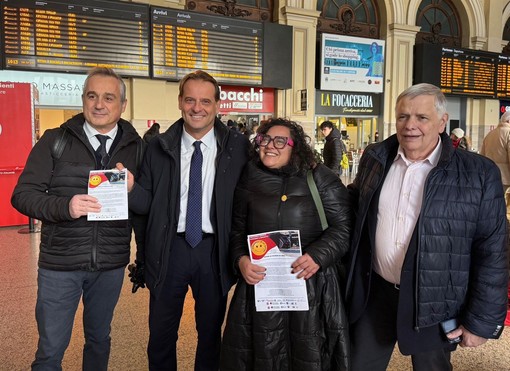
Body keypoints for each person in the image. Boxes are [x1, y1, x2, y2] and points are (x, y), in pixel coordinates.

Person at [345, 83, 508, 371]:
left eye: (422, 117)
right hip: (376, 293)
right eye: (403, 117)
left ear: (442, 122)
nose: (410, 126)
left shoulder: (479, 174)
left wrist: (482, 321)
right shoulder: (375, 158)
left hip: (436, 300)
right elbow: (353, 211)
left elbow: (492, 251)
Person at [11, 67, 144, 371]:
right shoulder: (54, 140)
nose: (99, 104)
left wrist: (133, 189)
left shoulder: (137, 147)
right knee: (50, 351)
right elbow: (23, 195)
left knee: (99, 340)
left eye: (109, 97)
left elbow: (148, 204)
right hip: (60, 265)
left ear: (122, 105)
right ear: (83, 99)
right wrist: (65, 206)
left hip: (109, 265)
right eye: (92, 96)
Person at [119, 70, 250, 370]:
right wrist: (130, 189)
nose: (197, 108)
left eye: (205, 101)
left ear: (218, 105)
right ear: (180, 101)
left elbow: (253, 196)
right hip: (170, 250)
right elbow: (146, 205)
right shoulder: (159, 146)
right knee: (161, 335)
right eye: (190, 99)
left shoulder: (237, 147)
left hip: (213, 252)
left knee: (210, 335)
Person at [220, 118, 352, 370]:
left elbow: (344, 228)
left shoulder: (319, 177)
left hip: (312, 288)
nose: (271, 145)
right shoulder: (249, 176)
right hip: (260, 288)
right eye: (265, 139)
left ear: (295, 147)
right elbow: (237, 230)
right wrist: (240, 261)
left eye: (281, 141)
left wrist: (317, 256)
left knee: (308, 354)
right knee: (262, 353)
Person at [480, 111, 510, 218]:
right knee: (504, 205)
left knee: (491, 202)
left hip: (489, 176)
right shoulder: (508, 133)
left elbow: (482, 157)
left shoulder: (490, 134)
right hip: (505, 177)